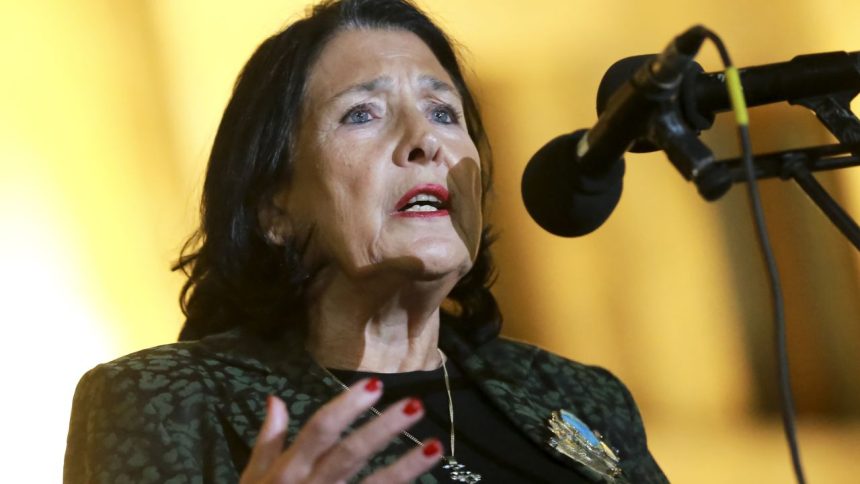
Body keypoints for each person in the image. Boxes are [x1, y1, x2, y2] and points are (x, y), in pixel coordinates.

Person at [64, 0, 667, 482]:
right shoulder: (165, 404)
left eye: (443, 112)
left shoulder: (583, 396)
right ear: (275, 207)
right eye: (362, 114)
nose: (424, 141)